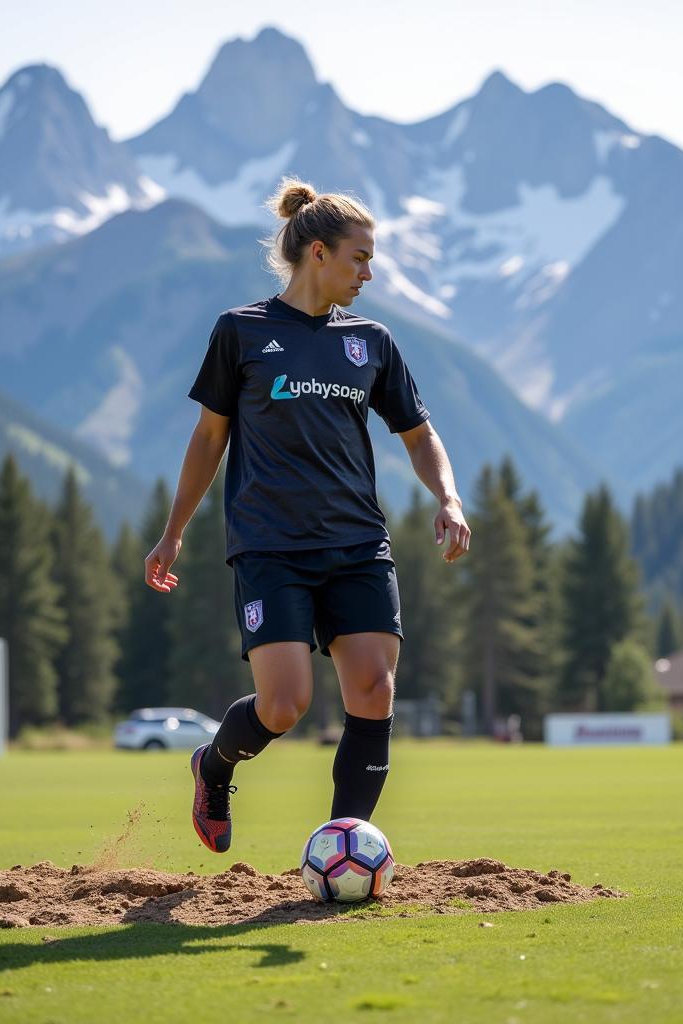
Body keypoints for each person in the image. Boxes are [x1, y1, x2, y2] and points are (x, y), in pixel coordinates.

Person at [144, 177, 471, 853]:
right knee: (284, 705)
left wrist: (449, 497)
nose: (369, 273)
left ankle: (341, 843)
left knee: (374, 690)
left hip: (357, 544)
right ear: (318, 253)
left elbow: (419, 434)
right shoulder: (242, 332)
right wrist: (173, 532)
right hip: (270, 545)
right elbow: (209, 439)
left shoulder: (372, 341)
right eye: (360, 258)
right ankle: (214, 764)